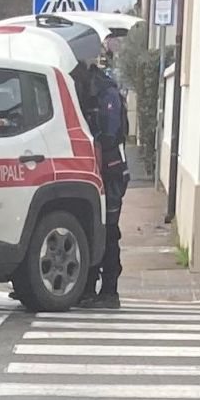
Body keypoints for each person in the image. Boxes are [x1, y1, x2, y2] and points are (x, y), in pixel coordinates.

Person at [78, 61, 130, 310]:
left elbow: (109, 134)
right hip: (97, 171)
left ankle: (109, 291)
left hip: (111, 172)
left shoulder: (107, 94)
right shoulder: (91, 93)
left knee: (108, 230)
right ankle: (87, 289)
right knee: (92, 229)